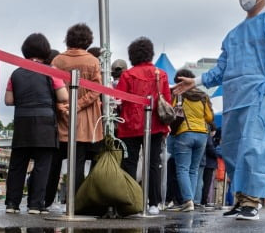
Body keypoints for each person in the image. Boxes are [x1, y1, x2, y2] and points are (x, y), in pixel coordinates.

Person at [174, 0, 265, 221]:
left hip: (259, 94)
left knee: (255, 146)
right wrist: (197, 80)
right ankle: (242, 196)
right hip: (234, 97)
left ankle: (253, 201)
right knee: (233, 148)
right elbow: (222, 69)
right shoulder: (233, 34)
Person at [4, 33, 68, 214]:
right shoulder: (51, 71)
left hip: (22, 122)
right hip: (45, 123)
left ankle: (12, 203)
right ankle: (35, 204)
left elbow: (8, 100)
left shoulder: (16, 73)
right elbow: (64, 96)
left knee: (17, 165)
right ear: (45, 51)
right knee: (42, 165)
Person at [115, 37, 170, 215]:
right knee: (153, 163)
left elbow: (119, 100)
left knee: (129, 163)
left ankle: (132, 202)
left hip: (130, 125)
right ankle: (153, 203)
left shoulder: (127, 75)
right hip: (155, 125)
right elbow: (167, 101)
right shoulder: (161, 74)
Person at [47, 23, 103, 197]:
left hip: (62, 116)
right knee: (81, 162)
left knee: (56, 161)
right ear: (88, 40)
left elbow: (51, 88)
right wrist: (79, 104)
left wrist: (63, 106)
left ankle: (46, 200)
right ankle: (78, 200)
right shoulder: (93, 61)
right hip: (87, 120)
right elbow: (96, 89)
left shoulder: (57, 61)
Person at [169, 68, 214, 212]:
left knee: (182, 168)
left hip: (184, 133)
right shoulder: (204, 96)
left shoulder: (178, 94)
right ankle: (192, 200)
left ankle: (187, 201)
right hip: (202, 135)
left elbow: (170, 112)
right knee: (194, 170)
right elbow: (209, 118)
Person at [201, 123, 219, 206]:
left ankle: (203, 200)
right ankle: (203, 200)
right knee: (206, 184)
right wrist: (217, 154)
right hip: (209, 163)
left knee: (204, 183)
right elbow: (211, 150)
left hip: (206, 163)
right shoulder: (209, 138)